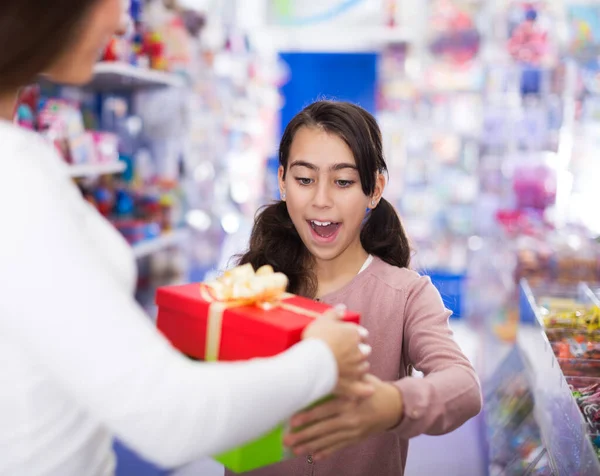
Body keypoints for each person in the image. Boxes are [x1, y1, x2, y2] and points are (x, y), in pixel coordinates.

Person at [0, 2, 374, 475]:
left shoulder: (22, 160)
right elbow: (169, 418)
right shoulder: (14, 180)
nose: (121, 21)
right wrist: (323, 357)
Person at [236, 100, 483, 476]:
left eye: (344, 181)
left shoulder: (406, 295)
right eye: (304, 179)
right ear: (282, 182)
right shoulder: (251, 286)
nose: (321, 199)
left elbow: (464, 387)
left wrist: (393, 404)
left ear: (374, 189)